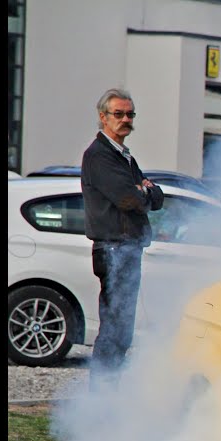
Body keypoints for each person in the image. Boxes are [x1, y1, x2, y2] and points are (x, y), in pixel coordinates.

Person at [81, 87, 164, 385]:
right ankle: (101, 399)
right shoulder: (100, 156)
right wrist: (143, 191)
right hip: (114, 250)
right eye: (119, 114)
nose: (126, 119)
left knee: (122, 329)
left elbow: (156, 197)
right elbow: (129, 200)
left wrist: (146, 191)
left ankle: (108, 395)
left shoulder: (123, 156)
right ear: (103, 117)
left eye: (130, 114)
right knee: (115, 328)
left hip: (127, 249)